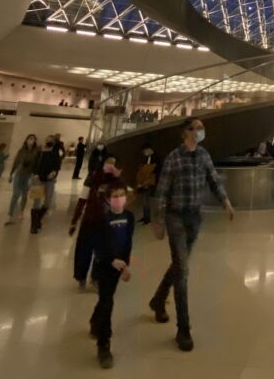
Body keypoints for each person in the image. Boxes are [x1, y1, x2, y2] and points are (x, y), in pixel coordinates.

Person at [149, 118, 235, 352]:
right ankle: (183, 329)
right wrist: (158, 221)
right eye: (196, 128)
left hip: (194, 218)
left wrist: (225, 201)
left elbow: (214, 180)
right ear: (185, 133)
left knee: (179, 265)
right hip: (175, 217)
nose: (200, 131)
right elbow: (162, 191)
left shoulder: (204, 155)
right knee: (183, 271)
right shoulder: (174, 157)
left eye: (201, 128)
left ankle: (158, 299)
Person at [89, 180, 135, 369]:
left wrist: (125, 266)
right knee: (107, 301)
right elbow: (98, 246)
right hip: (104, 266)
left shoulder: (129, 217)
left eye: (121, 195)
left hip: (119, 266)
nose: (119, 199)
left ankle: (95, 321)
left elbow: (128, 243)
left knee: (106, 298)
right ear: (108, 199)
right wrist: (111, 260)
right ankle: (104, 344)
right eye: (115, 196)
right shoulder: (101, 219)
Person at [71, 156, 121, 288]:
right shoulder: (92, 179)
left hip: (106, 222)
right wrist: (74, 221)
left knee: (103, 253)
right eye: (108, 163)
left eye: (113, 163)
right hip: (90, 220)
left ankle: (96, 278)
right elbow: (82, 200)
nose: (110, 166)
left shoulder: (115, 181)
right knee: (84, 250)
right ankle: (81, 277)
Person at [6, 134, 40, 224]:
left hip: (28, 175)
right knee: (15, 194)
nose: (31, 140)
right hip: (19, 174)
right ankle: (10, 214)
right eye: (30, 138)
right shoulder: (21, 151)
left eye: (33, 139)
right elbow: (16, 162)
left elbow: (37, 163)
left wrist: (35, 174)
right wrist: (11, 173)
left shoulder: (36, 151)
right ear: (26, 140)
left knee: (24, 195)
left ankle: (21, 211)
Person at [135, 142, 160, 224]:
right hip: (145, 181)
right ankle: (145, 217)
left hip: (151, 181)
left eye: (144, 151)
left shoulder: (156, 158)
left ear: (149, 149)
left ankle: (147, 219)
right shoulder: (147, 158)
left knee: (146, 200)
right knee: (144, 200)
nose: (144, 153)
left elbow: (156, 170)